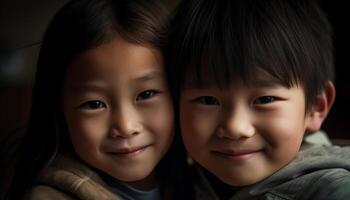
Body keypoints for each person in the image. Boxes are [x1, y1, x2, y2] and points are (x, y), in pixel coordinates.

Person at [5, 0, 190, 199]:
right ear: (59, 112)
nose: (126, 127)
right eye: (94, 104)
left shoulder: (201, 180)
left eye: (146, 95)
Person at [167, 0, 350, 199]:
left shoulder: (330, 188)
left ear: (316, 107)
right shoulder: (174, 181)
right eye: (208, 100)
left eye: (265, 100)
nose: (235, 128)